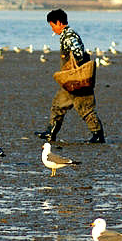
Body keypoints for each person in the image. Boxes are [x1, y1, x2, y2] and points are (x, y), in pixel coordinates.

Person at [35, 8, 105, 143]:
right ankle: (51, 132)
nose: (52, 29)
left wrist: (75, 70)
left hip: (77, 80)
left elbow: (78, 53)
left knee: (85, 108)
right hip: (71, 81)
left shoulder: (69, 36)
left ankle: (98, 135)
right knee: (58, 105)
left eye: (52, 25)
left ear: (60, 23)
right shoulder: (67, 35)